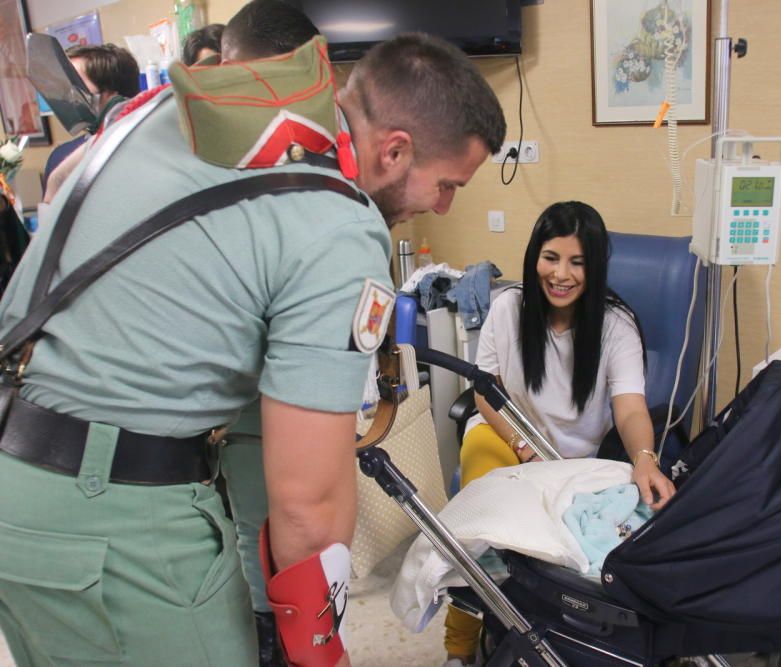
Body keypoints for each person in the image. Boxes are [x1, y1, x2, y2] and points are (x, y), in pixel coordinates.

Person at [0, 2, 505, 666]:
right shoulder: (337, 219)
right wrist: (321, 650)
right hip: (112, 517)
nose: (442, 205)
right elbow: (308, 504)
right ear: (395, 150)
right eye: (447, 184)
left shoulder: (166, 111)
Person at [442, 201, 677, 667]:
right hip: (505, 437)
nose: (561, 274)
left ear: (595, 267)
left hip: (572, 462)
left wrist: (646, 457)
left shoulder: (616, 326)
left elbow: (629, 407)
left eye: (577, 261)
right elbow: (486, 392)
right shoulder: (509, 307)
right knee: (484, 514)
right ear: (534, 257)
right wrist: (523, 449)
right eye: (551, 257)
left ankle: (558, 635)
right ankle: (461, 644)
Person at [42, 43, 139, 197]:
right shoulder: (59, 157)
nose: (64, 95)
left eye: (73, 84)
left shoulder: (142, 152)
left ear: (112, 95)